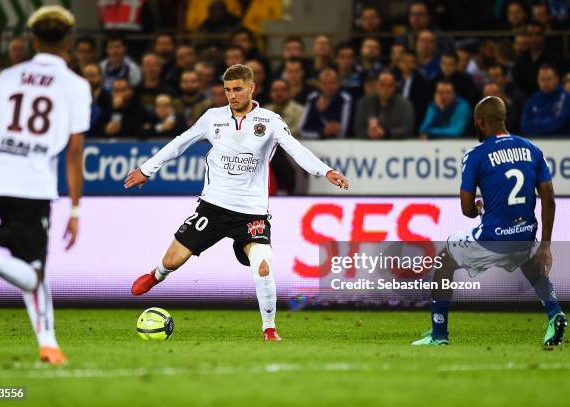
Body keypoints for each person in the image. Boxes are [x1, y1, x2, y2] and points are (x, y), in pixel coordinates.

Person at [124, 64, 349, 341]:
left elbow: (297, 150)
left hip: (251, 214)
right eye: (227, 90)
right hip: (213, 207)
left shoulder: (270, 121)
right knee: (172, 260)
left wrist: (325, 171)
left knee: (263, 265)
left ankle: (269, 328)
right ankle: (157, 275)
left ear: (252, 88)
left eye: (238, 89)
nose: (232, 95)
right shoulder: (212, 118)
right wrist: (147, 169)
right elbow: (179, 143)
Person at [0, 5, 91, 364]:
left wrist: (2, 166)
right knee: (33, 275)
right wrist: (76, 209)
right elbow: (75, 150)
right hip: (33, 182)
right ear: (69, 40)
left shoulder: (7, 77)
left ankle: (48, 342)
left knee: (31, 264)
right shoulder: (75, 85)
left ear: (33, 39)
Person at [412, 96, 566, 346]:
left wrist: (478, 210)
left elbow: (466, 208)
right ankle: (554, 313)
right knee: (527, 257)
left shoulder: (476, 155)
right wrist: (545, 246)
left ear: (480, 122)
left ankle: (438, 335)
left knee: (444, 261)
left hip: (492, 239)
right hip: (525, 235)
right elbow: (548, 198)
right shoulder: (532, 150)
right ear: (503, 119)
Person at [353, 71, 414, 139]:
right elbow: (358, 129)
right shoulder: (364, 103)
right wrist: (369, 133)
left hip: (396, 145)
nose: (386, 89)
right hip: (369, 144)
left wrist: (385, 133)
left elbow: (407, 129)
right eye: (382, 85)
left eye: (390, 85)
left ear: (394, 87)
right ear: (376, 86)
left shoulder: (404, 104)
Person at [299, 68, 352, 139]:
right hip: (315, 143)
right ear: (319, 84)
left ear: (339, 83)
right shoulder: (312, 99)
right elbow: (302, 131)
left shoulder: (345, 99)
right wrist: (322, 132)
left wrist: (324, 112)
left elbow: (342, 132)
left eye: (332, 83)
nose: (328, 87)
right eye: (325, 83)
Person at [520, 64, 570, 136]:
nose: (545, 83)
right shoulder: (532, 100)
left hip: (562, 142)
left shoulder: (566, 98)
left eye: (549, 79)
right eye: (542, 79)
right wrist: (548, 122)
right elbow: (524, 126)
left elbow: (558, 123)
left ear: (557, 79)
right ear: (537, 80)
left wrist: (536, 122)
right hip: (537, 142)